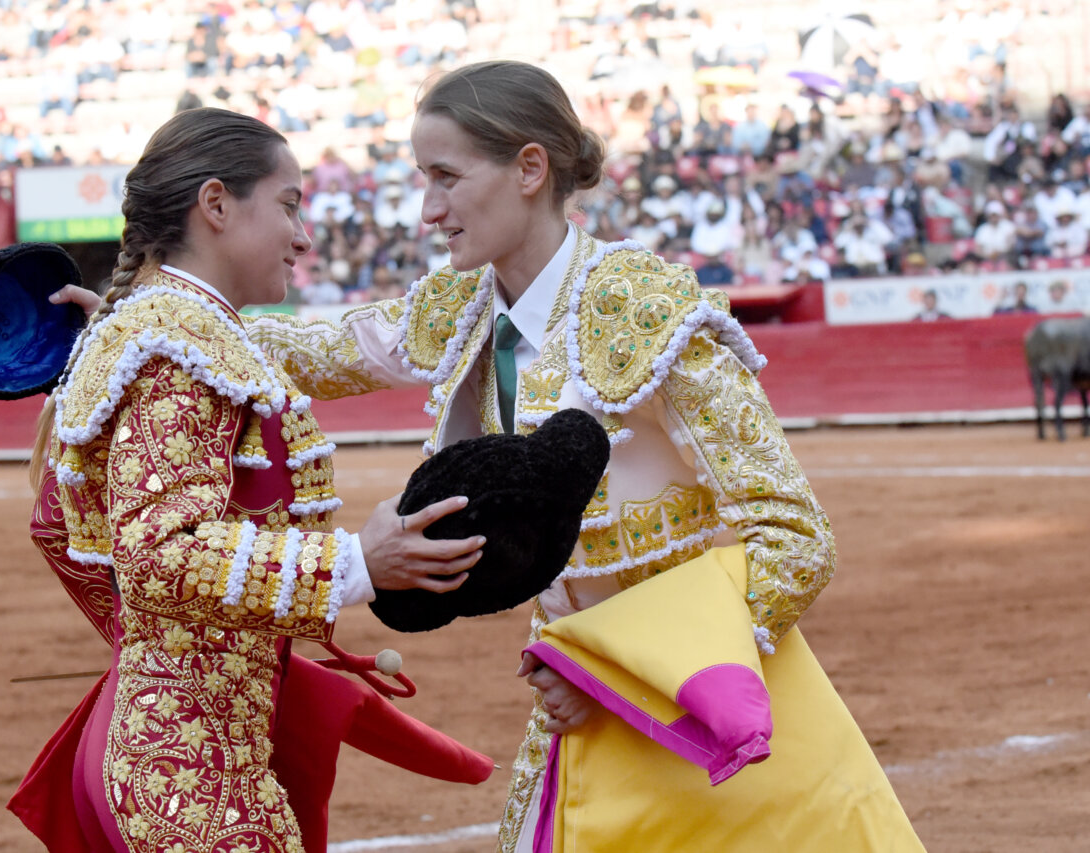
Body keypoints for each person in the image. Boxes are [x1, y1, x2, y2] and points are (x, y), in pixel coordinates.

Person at [243, 61, 924, 853]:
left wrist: (617, 672)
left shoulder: (645, 312)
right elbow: (308, 348)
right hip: (579, 707)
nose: (428, 210)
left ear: (530, 168)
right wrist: (149, 321)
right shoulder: (462, 309)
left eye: (447, 178)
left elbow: (796, 537)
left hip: (714, 719)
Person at [29, 108, 486, 853]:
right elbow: (158, 551)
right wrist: (356, 563)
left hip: (172, 740)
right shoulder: (176, 347)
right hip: (190, 772)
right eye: (289, 204)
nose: (304, 235)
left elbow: (55, 526)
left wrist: (165, 648)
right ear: (215, 204)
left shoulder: (171, 329)